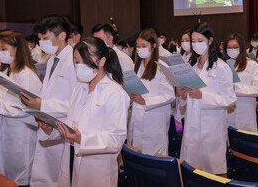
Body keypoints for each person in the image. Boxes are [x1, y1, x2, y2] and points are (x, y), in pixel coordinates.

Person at [37, 37, 129, 187]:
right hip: (71, 158)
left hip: (97, 168)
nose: (79, 66)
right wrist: (51, 129)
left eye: (84, 61)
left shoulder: (115, 93)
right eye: (76, 62)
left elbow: (115, 139)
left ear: (102, 61)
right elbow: (70, 124)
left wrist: (82, 139)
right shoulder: (79, 87)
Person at [0, 30, 42, 186]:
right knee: (2, 176)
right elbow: (0, 99)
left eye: (4, 49)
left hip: (20, 134)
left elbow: (22, 109)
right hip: (4, 130)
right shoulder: (6, 71)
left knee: (17, 178)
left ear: (17, 48)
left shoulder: (26, 74)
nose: (0, 53)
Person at [22, 15, 78, 186]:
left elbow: (76, 102)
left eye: (45, 38)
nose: (41, 43)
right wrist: (39, 109)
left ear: (62, 36)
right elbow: (49, 93)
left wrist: (42, 104)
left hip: (65, 126)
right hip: (49, 123)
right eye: (39, 39)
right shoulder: (52, 59)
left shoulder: (74, 61)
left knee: (61, 177)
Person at [178, 22, 236, 175]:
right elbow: (185, 100)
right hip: (192, 124)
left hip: (212, 128)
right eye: (194, 42)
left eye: (200, 41)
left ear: (210, 41)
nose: (196, 45)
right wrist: (183, 96)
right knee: (192, 171)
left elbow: (230, 99)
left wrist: (202, 96)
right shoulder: (191, 66)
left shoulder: (221, 67)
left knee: (213, 173)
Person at [128, 28, 174, 155]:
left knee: (155, 161)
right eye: (138, 46)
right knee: (138, 160)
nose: (140, 49)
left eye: (143, 46)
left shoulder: (162, 66)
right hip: (137, 119)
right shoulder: (136, 66)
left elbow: (170, 95)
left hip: (154, 123)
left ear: (153, 46)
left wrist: (146, 101)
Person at [225, 33, 258, 131]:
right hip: (228, 113)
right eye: (229, 47)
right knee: (230, 142)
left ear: (241, 48)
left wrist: (236, 88)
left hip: (246, 112)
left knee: (247, 141)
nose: (232, 50)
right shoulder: (224, 65)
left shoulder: (251, 65)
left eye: (235, 47)